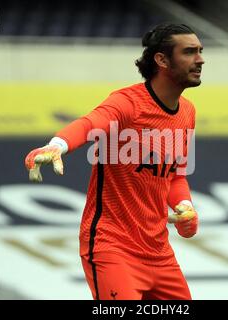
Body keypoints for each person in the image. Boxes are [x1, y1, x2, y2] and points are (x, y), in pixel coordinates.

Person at [24, 23, 204, 300]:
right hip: (113, 248)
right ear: (162, 60)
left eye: (200, 51)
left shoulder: (187, 112)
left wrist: (185, 206)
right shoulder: (128, 102)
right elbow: (89, 123)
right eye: (190, 52)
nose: (200, 59)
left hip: (160, 254)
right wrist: (57, 145)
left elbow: (175, 175)